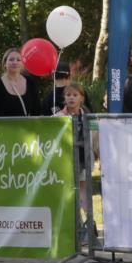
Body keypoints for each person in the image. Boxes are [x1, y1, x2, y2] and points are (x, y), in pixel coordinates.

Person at [54, 83, 95, 220]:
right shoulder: (57, 117)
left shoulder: (88, 116)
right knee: (68, 192)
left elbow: (94, 137)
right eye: (68, 95)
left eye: (75, 95)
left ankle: (90, 222)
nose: (71, 98)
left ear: (81, 98)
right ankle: (75, 222)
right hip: (65, 160)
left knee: (83, 190)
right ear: (64, 98)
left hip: (84, 158)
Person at [0, 47, 42, 117]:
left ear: (22, 63)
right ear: (5, 63)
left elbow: (37, 109)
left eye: (18, 60)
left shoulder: (30, 82)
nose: (15, 62)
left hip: (27, 124)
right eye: (11, 59)